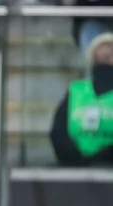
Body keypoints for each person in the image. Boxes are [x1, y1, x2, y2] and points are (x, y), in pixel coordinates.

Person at [50, 32, 113, 166]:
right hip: (74, 168)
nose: (107, 49)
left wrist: (101, 159)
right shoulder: (76, 90)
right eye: (104, 45)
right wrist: (78, 161)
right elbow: (58, 133)